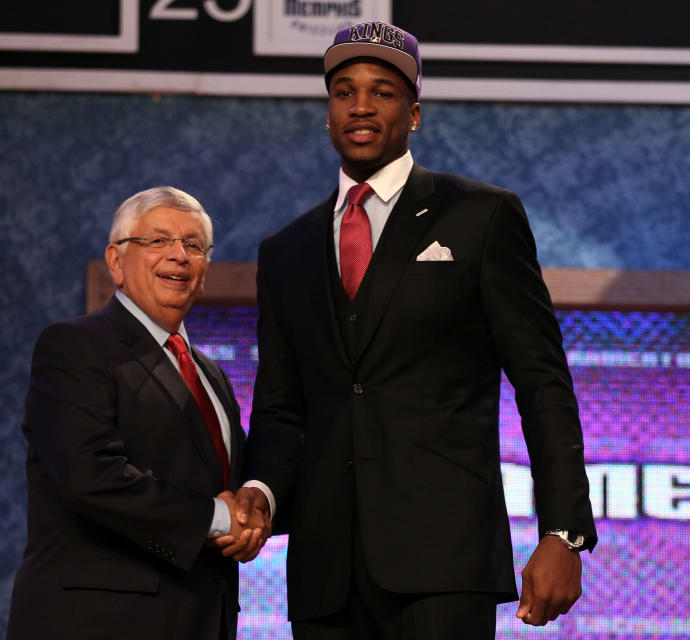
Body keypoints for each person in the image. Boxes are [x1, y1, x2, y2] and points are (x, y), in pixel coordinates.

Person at [236, 21, 596, 639]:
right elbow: (279, 407)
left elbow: (541, 383)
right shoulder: (285, 251)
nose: (361, 106)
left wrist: (563, 532)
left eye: (382, 91)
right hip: (325, 575)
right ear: (328, 115)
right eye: (344, 91)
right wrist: (261, 490)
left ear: (415, 113)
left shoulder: (482, 216)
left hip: (444, 566)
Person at [6, 186, 269, 640]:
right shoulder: (74, 347)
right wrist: (223, 519)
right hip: (98, 622)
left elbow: (230, 483)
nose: (179, 255)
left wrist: (259, 504)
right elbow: (92, 479)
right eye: (157, 241)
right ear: (116, 262)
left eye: (193, 245)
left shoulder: (213, 376)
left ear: (205, 270)